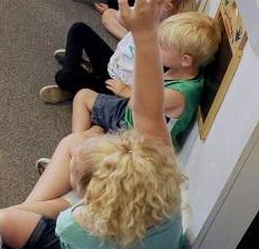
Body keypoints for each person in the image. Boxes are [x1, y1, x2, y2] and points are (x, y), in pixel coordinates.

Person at [0, 0, 190, 249]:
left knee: (4, 221)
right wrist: (147, 34)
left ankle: (17, 213)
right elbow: (148, 108)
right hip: (140, 239)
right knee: (72, 144)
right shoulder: (162, 181)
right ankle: (27, 208)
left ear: (86, 198)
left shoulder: (81, 226)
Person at [40, 0, 202, 105]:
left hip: (117, 88)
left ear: (165, 6)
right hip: (113, 64)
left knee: (64, 77)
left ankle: (74, 81)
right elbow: (117, 16)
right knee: (78, 29)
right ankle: (80, 67)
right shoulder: (143, 14)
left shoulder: (167, 41)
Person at [70, 11, 221, 150]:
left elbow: (136, 103)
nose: (157, 47)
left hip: (136, 138)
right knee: (83, 96)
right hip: (130, 117)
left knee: (90, 143)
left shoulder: (178, 94)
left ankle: (78, 148)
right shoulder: (183, 70)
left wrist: (125, 91)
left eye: (163, 46)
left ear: (185, 60)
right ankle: (83, 140)